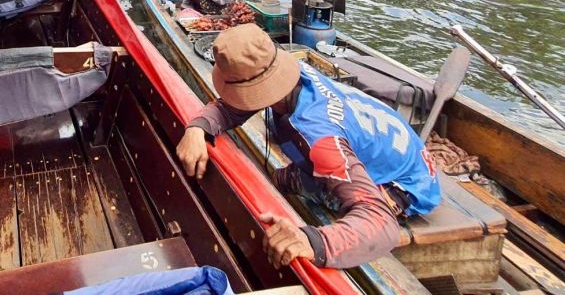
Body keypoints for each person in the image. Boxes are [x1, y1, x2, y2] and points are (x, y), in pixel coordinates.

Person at [176, 24, 440, 270]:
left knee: (322, 194)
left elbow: (380, 222)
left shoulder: (320, 140)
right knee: (278, 180)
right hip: (381, 148)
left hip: (406, 184)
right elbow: (230, 109)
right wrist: (198, 128)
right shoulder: (295, 75)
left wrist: (313, 241)